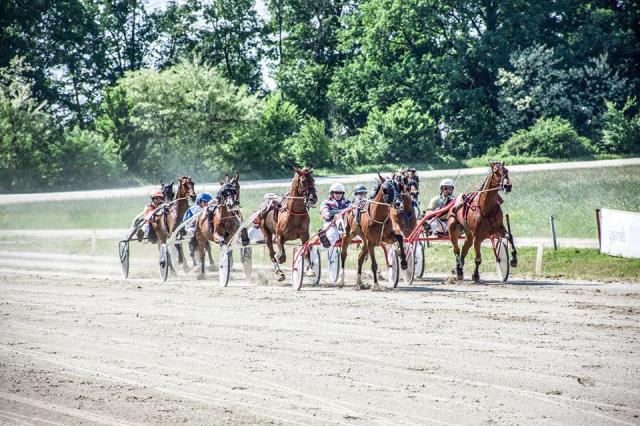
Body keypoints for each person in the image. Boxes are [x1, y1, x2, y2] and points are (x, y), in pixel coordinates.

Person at [318, 183, 351, 248]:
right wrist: (331, 214)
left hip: (347, 225)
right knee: (332, 235)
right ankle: (325, 241)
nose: (338, 194)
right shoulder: (326, 203)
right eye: (336, 193)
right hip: (331, 225)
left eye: (340, 193)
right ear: (332, 193)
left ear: (343, 193)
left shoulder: (348, 202)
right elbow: (324, 213)